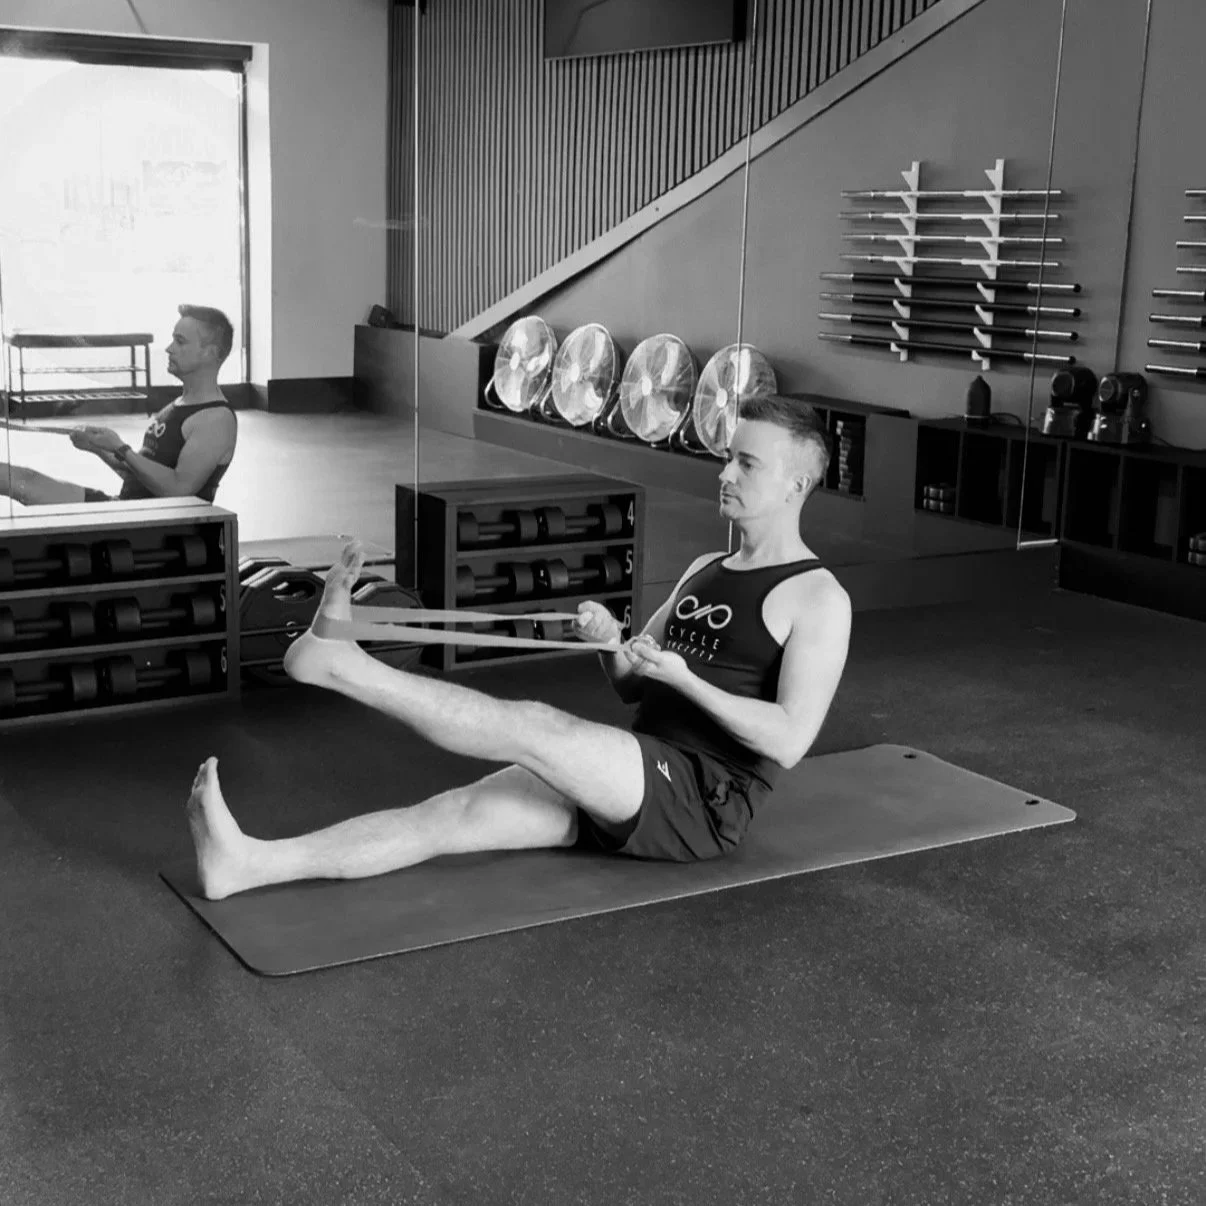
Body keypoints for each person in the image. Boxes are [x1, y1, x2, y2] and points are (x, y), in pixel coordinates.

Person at [186, 395, 853, 901]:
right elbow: (632, 681)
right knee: (454, 815)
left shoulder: (818, 597)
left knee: (534, 724)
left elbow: (789, 739)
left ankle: (343, 664)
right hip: (629, 773)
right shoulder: (706, 566)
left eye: (747, 463)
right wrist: (610, 643)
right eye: (728, 456)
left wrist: (686, 681)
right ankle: (248, 865)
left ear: (795, 484)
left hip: (701, 799)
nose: (726, 472)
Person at [0, 304, 238, 506]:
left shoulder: (215, 419)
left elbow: (178, 490)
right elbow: (141, 476)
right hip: (128, 509)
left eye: (180, 341)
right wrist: (99, 448)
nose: (169, 348)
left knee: (25, 483)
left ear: (210, 353)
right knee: (23, 480)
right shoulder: (179, 405)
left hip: (152, 528)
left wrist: (121, 448)